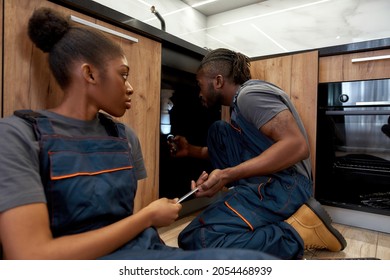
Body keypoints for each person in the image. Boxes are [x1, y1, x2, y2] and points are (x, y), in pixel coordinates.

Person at [0, 8, 278, 260]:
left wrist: (187, 196)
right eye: (123, 75)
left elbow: (123, 218)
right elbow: (30, 256)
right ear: (90, 74)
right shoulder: (18, 136)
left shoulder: (124, 137)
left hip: (141, 250)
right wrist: (147, 217)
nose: (131, 87)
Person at [168, 48, 347, 259]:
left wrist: (227, 175)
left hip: (287, 187)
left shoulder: (248, 95)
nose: (199, 92)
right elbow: (237, 152)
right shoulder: (239, 105)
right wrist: (191, 150)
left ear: (217, 81)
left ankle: (298, 233)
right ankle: (258, 209)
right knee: (219, 131)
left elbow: (297, 146)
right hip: (275, 182)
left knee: (197, 237)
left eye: (200, 85)